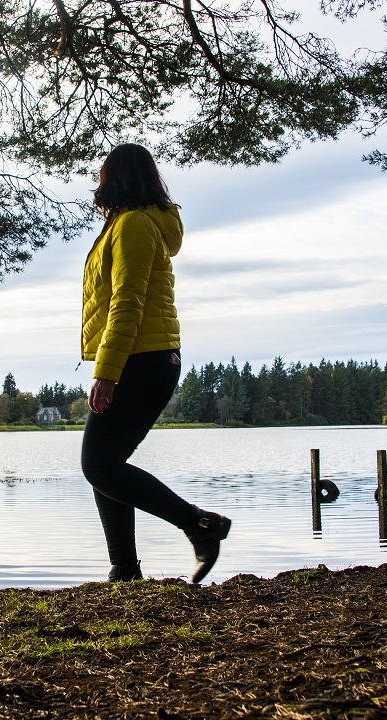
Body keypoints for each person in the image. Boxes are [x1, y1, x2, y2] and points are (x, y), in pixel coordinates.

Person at [79, 142, 231, 584]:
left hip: (140, 360)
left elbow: (128, 301)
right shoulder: (129, 224)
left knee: (100, 465)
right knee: (108, 463)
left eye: (103, 176)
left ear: (117, 179)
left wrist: (106, 373)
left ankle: (200, 524)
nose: (98, 185)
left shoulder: (134, 225)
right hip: (143, 357)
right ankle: (124, 569)